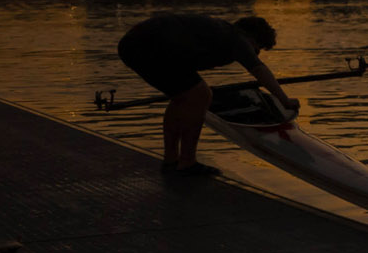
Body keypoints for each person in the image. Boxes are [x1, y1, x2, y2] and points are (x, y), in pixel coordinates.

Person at [115, 13, 297, 180]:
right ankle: (187, 163)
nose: (255, 53)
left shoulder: (221, 32)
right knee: (201, 95)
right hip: (148, 46)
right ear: (252, 37)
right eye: (258, 48)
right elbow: (259, 70)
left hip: (136, 44)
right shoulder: (237, 38)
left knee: (182, 98)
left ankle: (171, 160)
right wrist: (284, 100)